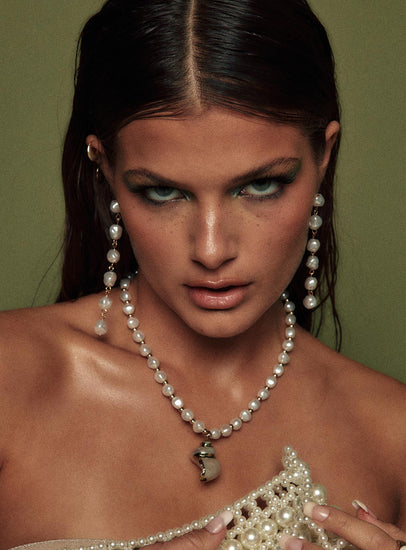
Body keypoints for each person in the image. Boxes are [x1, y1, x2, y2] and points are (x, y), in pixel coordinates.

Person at [0, 1, 405, 549]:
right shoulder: (10, 379)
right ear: (105, 169)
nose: (211, 250)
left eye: (260, 186)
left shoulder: (392, 432)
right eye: (162, 192)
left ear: (323, 156)